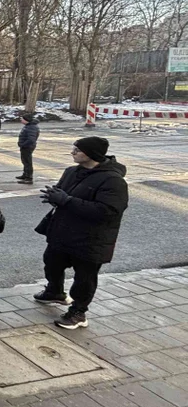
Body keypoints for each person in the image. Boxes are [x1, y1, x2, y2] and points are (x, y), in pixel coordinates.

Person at [35, 137, 129, 329]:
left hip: (91, 239)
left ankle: (78, 312)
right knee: (52, 263)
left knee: (84, 278)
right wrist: (54, 197)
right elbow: (61, 194)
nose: (72, 152)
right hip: (62, 232)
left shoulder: (113, 180)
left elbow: (107, 211)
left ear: (92, 154)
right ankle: (55, 291)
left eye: (77, 150)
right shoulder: (71, 171)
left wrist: (66, 200)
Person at [17, 113, 40, 184]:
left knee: (27, 162)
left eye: (22, 119)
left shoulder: (31, 127)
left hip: (27, 147)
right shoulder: (28, 126)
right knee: (24, 161)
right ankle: (25, 174)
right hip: (25, 146)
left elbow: (31, 139)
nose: (21, 120)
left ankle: (29, 178)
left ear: (27, 120)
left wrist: (23, 145)